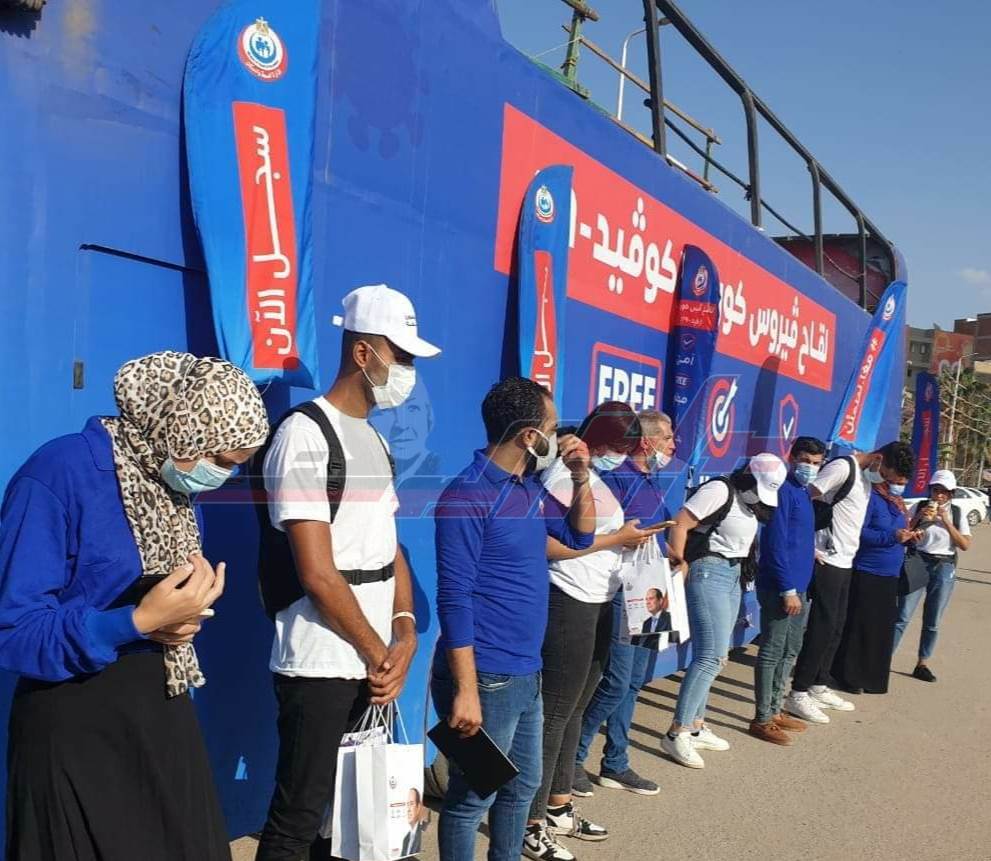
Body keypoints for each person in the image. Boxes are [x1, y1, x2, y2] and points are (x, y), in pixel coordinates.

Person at [0, 351, 269, 860]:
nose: (223, 476)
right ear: (183, 429)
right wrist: (139, 620)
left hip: (157, 712)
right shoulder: (60, 473)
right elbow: (15, 631)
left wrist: (177, 622)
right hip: (74, 725)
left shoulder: (169, 483)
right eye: (220, 461)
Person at [255, 284, 439, 860]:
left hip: (369, 659)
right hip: (320, 662)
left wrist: (404, 630)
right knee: (299, 817)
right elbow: (317, 573)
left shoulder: (375, 440)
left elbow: (389, 547)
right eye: (401, 356)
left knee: (348, 816)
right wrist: (377, 651)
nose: (407, 372)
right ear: (364, 353)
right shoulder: (305, 436)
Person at [432, 377, 596, 861]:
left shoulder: (528, 488)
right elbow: (454, 598)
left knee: (523, 787)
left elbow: (580, 537)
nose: (559, 437)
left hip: (527, 671)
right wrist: (465, 690)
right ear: (529, 436)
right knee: (471, 797)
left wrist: (581, 478)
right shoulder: (466, 496)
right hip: (486, 677)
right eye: (553, 427)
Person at [524, 402, 663, 861]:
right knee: (555, 713)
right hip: (569, 599)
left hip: (600, 598)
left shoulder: (596, 476)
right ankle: (530, 821)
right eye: (616, 446)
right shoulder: (562, 474)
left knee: (577, 707)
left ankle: (559, 804)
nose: (620, 456)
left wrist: (628, 540)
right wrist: (618, 538)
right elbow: (550, 544)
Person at [573, 409, 676, 798]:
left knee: (632, 682)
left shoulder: (650, 479)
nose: (673, 445)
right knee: (615, 683)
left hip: (650, 588)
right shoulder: (617, 478)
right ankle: (572, 759)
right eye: (667, 438)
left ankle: (615, 763)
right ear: (647, 441)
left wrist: (672, 556)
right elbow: (605, 531)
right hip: (622, 591)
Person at [660, 452, 787, 769]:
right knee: (710, 657)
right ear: (748, 476)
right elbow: (681, 523)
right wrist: (679, 562)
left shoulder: (748, 501)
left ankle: (696, 725)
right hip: (708, 571)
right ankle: (677, 732)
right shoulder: (719, 490)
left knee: (716, 655)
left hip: (732, 574)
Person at [784, 441, 915, 723]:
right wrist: (808, 546)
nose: (886, 481)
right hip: (827, 560)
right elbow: (804, 499)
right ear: (878, 459)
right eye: (887, 475)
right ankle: (798, 692)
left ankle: (819, 684)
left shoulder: (866, 480)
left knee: (837, 627)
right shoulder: (843, 468)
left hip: (846, 561)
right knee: (821, 628)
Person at [749, 437, 826, 745]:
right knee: (772, 651)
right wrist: (787, 588)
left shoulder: (803, 492)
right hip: (781, 587)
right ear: (792, 458)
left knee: (790, 649)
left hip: (800, 586)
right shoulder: (782, 490)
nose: (810, 467)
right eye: (805, 461)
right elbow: (775, 543)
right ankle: (762, 719)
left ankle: (775, 708)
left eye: (816, 463)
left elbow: (798, 538)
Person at [831, 445, 916, 695]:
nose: (898, 486)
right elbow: (860, 532)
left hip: (890, 574)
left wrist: (910, 537)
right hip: (867, 570)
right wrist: (891, 537)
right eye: (895, 481)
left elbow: (900, 530)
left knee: (879, 630)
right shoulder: (872, 498)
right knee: (859, 627)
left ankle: (871, 678)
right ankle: (848, 676)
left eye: (902, 483)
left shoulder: (898, 503)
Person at [893, 469, 971, 682]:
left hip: (944, 564)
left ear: (951, 493)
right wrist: (919, 518)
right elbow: (903, 531)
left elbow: (965, 544)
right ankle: (884, 659)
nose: (940, 495)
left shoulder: (956, 513)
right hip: (918, 560)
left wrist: (946, 521)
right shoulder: (919, 506)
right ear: (930, 490)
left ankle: (922, 663)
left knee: (933, 619)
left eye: (945, 492)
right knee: (902, 615)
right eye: (936, 490)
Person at [401, 787, 425, 857]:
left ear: (418, 806)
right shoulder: (406, 838)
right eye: (407, 804)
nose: (408, 809)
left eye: (411, 804)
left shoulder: (419, 832)